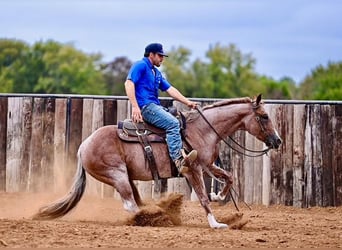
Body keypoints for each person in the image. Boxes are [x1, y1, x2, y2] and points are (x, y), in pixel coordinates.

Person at [124, 43, 198, 174]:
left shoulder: (156, 72)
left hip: (155, 106)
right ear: (151, 55)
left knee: (180, 120)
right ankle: (178, 160)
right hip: (147, 107)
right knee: (173, 124)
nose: (162, 59)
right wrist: (135, 107)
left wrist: (187, 102)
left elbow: (170, 89)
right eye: (160, 55)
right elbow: (129, 83)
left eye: (162, 56)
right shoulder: (140, 65)